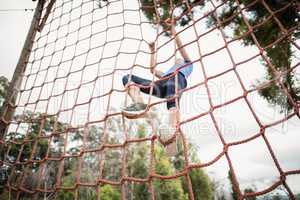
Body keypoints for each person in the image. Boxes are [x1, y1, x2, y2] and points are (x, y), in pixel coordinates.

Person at [122, 20, 193, 155]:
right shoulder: (167, 72)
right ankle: (141, 106)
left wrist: (172, 29)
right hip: (163, 84)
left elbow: (180, 45)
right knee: (127, 78)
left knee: (172, 98)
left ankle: (171, 134)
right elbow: (153, 70)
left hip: (177, 80)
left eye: (180, 60)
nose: (178, 60)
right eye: (176, 60)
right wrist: (152, 50)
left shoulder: (188, 65)